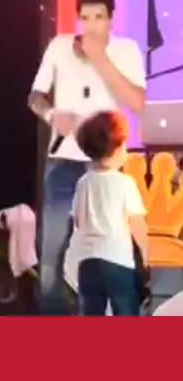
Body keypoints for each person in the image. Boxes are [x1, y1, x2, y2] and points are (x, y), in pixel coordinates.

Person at [28, 0, 146, 315]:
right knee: (51, 256)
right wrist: (51, 114)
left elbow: (136, 102)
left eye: (99, 17)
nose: (91, 26)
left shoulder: (126, 50)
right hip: (63, 163)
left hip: (106, 167)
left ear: (111, 18)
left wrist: (100, 59)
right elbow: (34, 96)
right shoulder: (59, 46)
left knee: (108, 256)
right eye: (85, 18)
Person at [72, 110, 148, 316]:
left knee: (91, 311)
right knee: (125, 309)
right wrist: (146, 254)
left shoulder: (83, 182)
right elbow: (137, 222)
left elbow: (78, 221)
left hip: (87, 262)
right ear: (117, 148)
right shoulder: (125, 183)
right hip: (117, 260)